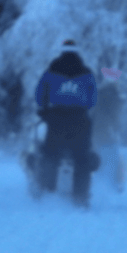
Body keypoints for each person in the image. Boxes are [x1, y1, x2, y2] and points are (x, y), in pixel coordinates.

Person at [33, 38, 98, 205]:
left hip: (56, 118)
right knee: (82, 159)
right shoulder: (87, 73)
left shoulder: (51, 71)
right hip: (79, 119)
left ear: (61, 51)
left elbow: (40, 95)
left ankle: (48, 194)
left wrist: (46, 108)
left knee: (50, 155)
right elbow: (92, 100)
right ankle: (80, 197)